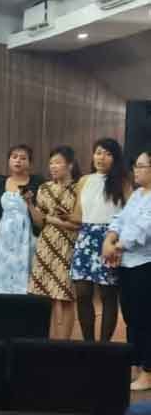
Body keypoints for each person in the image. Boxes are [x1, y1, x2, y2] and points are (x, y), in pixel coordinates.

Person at [71, 138, 131, 342]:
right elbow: (78, 215)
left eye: (107, 153)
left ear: (115, 158)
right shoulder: (83, 181)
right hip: (85, 236)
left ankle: (104, 346)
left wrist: (119, 244)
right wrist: (58, 216)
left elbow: (130, 215)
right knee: (82, 292)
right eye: (98, 152)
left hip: (110, 238)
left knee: (107, 294)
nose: (101, 157)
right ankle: (88, 343)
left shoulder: (123, 181)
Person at [103, 148, 151, 390]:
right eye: (136, 166)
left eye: (141, 166)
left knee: (146, 319)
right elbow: (120, 219)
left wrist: (116, 247)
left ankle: (148, 372)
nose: (136, 170)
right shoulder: (138, 194)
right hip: (127, 264)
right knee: (131, 317)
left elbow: (143, 230)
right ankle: (136, 364)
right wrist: (109, 239)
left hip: (145, 265)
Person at [28, 146, 81, 340]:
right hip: (46, 244)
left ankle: (63, 344)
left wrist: (50, 219)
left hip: (68, 245)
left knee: (65, 296)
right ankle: (48, 341)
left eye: (58, 162)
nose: (53, 167)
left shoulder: (78, 188)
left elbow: (77, 223)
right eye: (51, 163)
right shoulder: (44, 188)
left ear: (70, 165)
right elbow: (38, 222)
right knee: (45, 297)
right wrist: (29, 204)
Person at [0, 144, 43, 294]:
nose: (18, 161)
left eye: (23, 158)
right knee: (2, 275)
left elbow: (41, 216)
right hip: (3, 238)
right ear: (9, 160)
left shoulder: (37, 184)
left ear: (30, 163)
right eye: (14, 157)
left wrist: (30, 202)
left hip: (27, 237)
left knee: (26, 278)